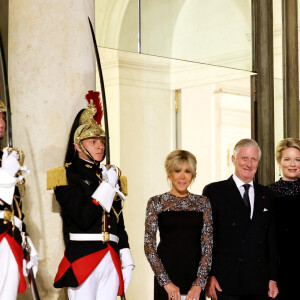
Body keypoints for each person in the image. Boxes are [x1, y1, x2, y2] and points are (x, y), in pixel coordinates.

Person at [47, 91, 134, 300]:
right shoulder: (66, 175)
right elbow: (83, 216)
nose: (100, 145)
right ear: (77, 145)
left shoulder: (109, 175)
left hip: (111, 255)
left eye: (102, 141)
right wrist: (107, 185)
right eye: (93, 141)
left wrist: (126, 254)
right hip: (84, 257)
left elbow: (117, 221)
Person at [203, 138, 279, 300]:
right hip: (225, 281)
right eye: (244, 158)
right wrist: (209, 275)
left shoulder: (267, 195)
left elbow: (271, 240)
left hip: (259, 282)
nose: (249, 164)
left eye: (253, 159)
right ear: (233, 159)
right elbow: (207, 238)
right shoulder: (214, 191)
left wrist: (273, 277)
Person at [144, 149, 213, 300]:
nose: (182, 176)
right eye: (177, 171)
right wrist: (166, 283)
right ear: (169, 174)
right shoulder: (156, 202)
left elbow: (208, 247)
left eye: (187, 171)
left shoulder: (203, 203)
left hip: (195, 278)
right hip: (166, 278)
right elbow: (149, 246)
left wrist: (199, 284)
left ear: (193, 175)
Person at [0, 100, 37, 299]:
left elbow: (15, 207)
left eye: (3, 117)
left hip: (11, 236)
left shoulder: (6, 158)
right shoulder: (6, 164)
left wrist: (26, 240)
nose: (2, 122)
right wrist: (5, 176)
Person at [268, 137, 300, 299]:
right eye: (287, 159)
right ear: (279, 162)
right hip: (279, 265)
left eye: (297, 159)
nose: (292, 164)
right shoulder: (267, 193)